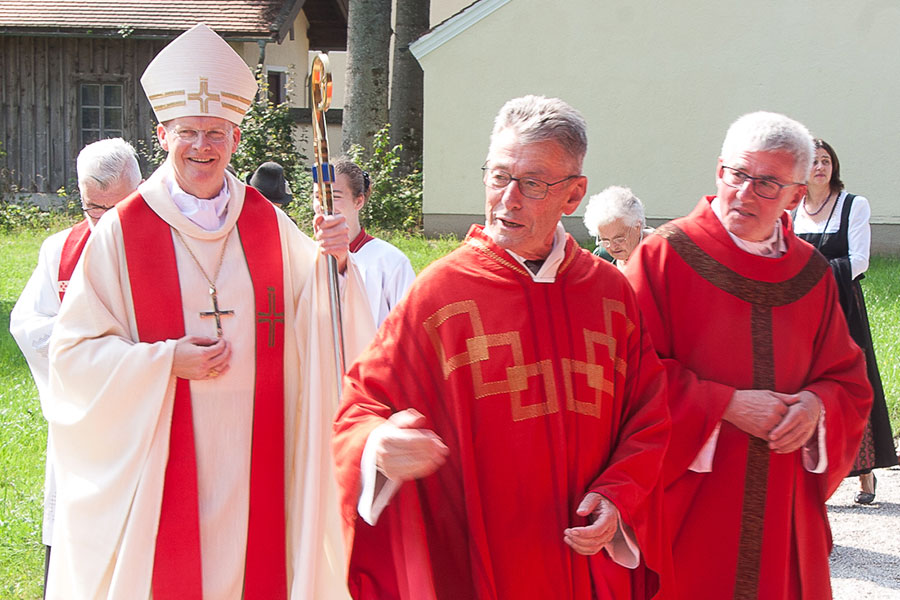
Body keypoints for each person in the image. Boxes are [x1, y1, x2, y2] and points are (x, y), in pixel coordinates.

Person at [45, 23, 373, 600]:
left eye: (216, 133)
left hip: (261, 456)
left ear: (236, 136)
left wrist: (338, 264)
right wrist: (164, 361)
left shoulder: (269, 225)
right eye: (188, 132)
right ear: (161, 133)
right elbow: (73, 356)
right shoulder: (122, 232)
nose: (202, 147)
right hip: (163, 460)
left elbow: (324, 326)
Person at [333, 95, 672, 599]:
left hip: (585, 559)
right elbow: (360, 406)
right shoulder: (440, 293)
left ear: (574, 194)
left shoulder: (609, 294)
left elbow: (649, 415)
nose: (507, 199)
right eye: (498, 177)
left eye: (532, 183)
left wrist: (619, 496)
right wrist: (379, 446)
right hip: (481, 561)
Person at [625, 111, 873, 599]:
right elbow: (630, 372)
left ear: (796, 195)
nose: (743, 193)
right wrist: (725, 405)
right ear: (719, 169)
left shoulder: (811, 273)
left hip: (784, 499)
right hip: (693, 503)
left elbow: (847, 378)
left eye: (766, 183)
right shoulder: (666, 257)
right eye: (736, 174)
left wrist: (817, 406)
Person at [9, 137, 141, 596]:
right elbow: (27, 325)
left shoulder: (171, 245)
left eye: (116, 207)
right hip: (83, 420)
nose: (103, 221)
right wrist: (81, 342)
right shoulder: (58, 250)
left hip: (144, 419)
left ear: (139, 191)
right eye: (92, 208)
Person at [793, 138, 897, 503]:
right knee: (805, 385)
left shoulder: (854, 205)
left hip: (842, 307)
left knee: (852, 383)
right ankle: (811, 473)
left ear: (834, 167)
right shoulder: (791, 210)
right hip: (802, 312)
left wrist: (814, 275)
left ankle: (864, 470)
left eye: (826, 161)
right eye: (813, 161)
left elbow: (860, 260)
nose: (820, 167)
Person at [313, 157, 416, 327]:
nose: (325, 206)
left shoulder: (390, 261)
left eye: (335, 197)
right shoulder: (304, 257)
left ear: (358, 201)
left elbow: (408, 327)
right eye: (318, 197)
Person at [583, 185, 653, 270]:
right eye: (605, 241)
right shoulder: (603, 257)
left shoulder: (662, 254)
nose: (613, 247)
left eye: (619, 239)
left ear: (637, 227)